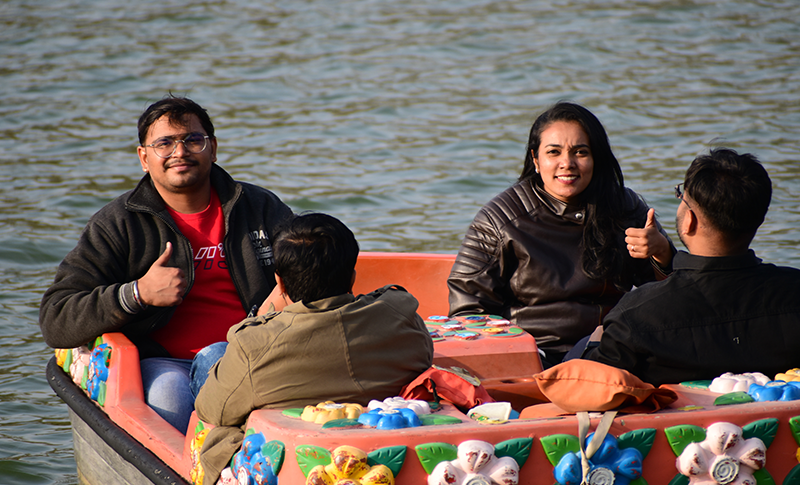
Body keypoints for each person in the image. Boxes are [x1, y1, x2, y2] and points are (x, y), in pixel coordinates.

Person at [39, 95, 293, 432]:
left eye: (193, 139)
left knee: (221, 358)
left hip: (252, 353)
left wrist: (283, 296)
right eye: (165, 143)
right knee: (169, 394)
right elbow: (56, 316)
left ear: (213, 148)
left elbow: (310, 272)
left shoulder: (258, 207)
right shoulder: (117, 224)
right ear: (144, 157)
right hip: (161, 364)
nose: (180, 151)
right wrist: (137, 293)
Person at [194, 212, 433, 483]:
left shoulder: (254, 344)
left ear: (280, 283)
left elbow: (211, 409)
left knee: (209, 358)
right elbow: (425, 355)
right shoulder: (401, 315)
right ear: (352, 276)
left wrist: (263, 316)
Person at [447, 102, 675, 368]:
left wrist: (662, 253)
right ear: (536, 159)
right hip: (536, 356)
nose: (567, 164)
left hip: (610, 346)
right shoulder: (500, 219)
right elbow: (467, 311)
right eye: (553, 152)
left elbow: (671, 295)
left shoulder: (625, 207)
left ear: (596, 158)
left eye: (580, 152)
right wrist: (518, 355)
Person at [584, 148, 800, 386]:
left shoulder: (635, 316)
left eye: (681, 197)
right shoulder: (793, 292)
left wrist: (594, 343)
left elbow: (594, 389)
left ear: (689, 220)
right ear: (759, 219)